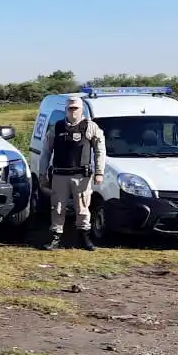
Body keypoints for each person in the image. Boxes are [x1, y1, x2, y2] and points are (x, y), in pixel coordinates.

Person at [38, 95, 106, 251]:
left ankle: (84, 238)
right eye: (70, 108)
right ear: (66, 109)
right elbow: (46, 152)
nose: (73, 111)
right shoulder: (57, 127)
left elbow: (100, 150)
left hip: (81, 176)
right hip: (60, 175)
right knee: (58, 207)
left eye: (76, 108)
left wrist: (99, 172)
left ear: (81, 109)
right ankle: (56, 237)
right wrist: (43, 174)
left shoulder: (90, 127)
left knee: (82, 208)